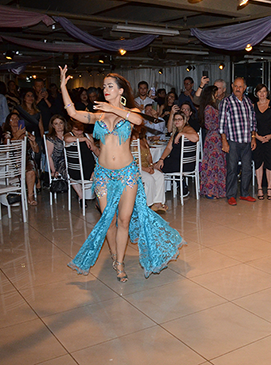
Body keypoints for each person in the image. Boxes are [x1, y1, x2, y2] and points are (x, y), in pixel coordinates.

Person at [60, 66, 185, 283]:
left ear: (120, 91)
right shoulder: (98, 115)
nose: (105, 89)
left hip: (127, 173)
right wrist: (63, 87)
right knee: (109, 221)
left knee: (124, 220)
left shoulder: (131, 114)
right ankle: (115, 255)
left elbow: (138, 121)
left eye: (110, 86)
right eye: (104, 86)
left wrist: (113, 108)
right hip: (103, 175)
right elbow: (72, 113)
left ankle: (119, 263)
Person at [219, 77, 257, 206]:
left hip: (246, 141)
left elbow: (253, 122)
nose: (238, 89)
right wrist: (224, 141)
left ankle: (244, 194)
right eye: (236, 86)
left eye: (240, 87)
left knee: (247, 169)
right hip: (233, 141)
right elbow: (222, 124)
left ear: (245, 88)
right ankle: (231, 195)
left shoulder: (248, 101)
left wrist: (253, 138)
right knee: (232, 169)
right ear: (232, 86)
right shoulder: (226, 102)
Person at [154, 111, 200, 194]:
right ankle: (181, 184)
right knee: (156, 165)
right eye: (175, 119)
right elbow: (168, 148)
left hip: (183, 164)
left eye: (179, 119)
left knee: (154, 167)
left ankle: (158, 193)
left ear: (184, 120)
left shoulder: (187, 129)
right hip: (177, 162)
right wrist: (161, 159)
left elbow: (196, 137)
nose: (177, 121)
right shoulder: (175, 132)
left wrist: (180, 134)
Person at [2, 112, 40, 206]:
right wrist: (17, 136)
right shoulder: (7, 134)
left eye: (17, 119)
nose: (15, 120)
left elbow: (36, 151)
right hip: (12, 160)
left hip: (26, 159)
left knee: (30, 170)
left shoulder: (26, 133)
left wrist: (34, 141)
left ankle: (30, 196)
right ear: (9, 122)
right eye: (12, 119)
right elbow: (7, 148)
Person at [198, 85, 226, 199]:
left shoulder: (213, 106)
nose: (217, 94)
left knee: (217, 163)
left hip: (216, 137)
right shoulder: (209, 107)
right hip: (214, 138)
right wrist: (222, 127)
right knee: (213, 164)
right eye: (215, 92)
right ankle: (211, 191)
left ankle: (217, 190)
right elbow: (209, 125)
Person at [252, 84, 271, 200]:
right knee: (258, 162)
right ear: (256, 93)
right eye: (259, 91)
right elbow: (251, 124)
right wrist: (257, 137)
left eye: (264, 91)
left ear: (267, 93)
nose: (262, 94)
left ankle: (269, 188)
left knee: (270, 162)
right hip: (258, 138)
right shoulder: (253, 106)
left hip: (270, 138)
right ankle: (259, 188)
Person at [134, 128, 168, 212]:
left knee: (159, 175)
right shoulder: (129, 141)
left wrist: (152, 166)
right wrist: (145, 169)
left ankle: (157, 202)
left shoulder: (143, 139)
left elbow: (149, 155)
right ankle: (148, 205)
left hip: (146, 167)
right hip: (136, 169)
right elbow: (130, 161)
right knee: (149, 179)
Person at [64, 119, 98, 201]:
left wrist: (94, 148)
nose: (79, 128)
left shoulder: (87, 135)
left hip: (85, 170)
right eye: (76, 126)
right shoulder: (69, 136)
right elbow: (66, 139)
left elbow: (96, 152)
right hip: (78, 171)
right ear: (71, 127)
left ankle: (83, 197)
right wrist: (84, 139)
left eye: (81, 126)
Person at [45, 114, 68, 183]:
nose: (59, 126)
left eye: (61, 123)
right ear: (53, 126)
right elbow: (49, 155)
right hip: (59, 163)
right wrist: (53, 170)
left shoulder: (69, 135)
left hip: (71, 161)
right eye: (56, 124)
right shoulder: (51, 138)